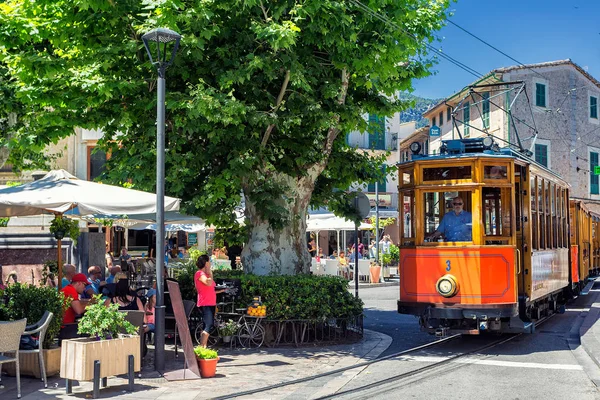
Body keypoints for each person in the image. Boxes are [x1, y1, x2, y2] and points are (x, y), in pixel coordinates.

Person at [194, 254, 225, 348]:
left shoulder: (206, 275)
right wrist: (210, 273)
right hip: (205, 302)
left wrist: (222, 289)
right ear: (206, 263)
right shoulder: (200, 273)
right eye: (209, 262)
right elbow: (208, 283)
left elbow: (212, 288)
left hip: (211, 302)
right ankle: (202, 347)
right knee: (209, 325)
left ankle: (203, 346)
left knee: (206, 325)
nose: (210, 264)